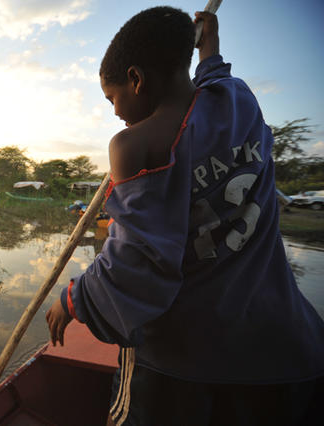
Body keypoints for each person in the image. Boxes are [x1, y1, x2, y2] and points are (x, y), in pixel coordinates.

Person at [45, 7, 324, 426]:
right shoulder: (240, 101)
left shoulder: (132, 146)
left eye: (113, 97)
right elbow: (214, 79)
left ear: (137, 79)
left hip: (183, 365)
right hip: (286, 349)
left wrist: (73, 298)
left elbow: (137, 266)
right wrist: (210, 48)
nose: (115, 111)